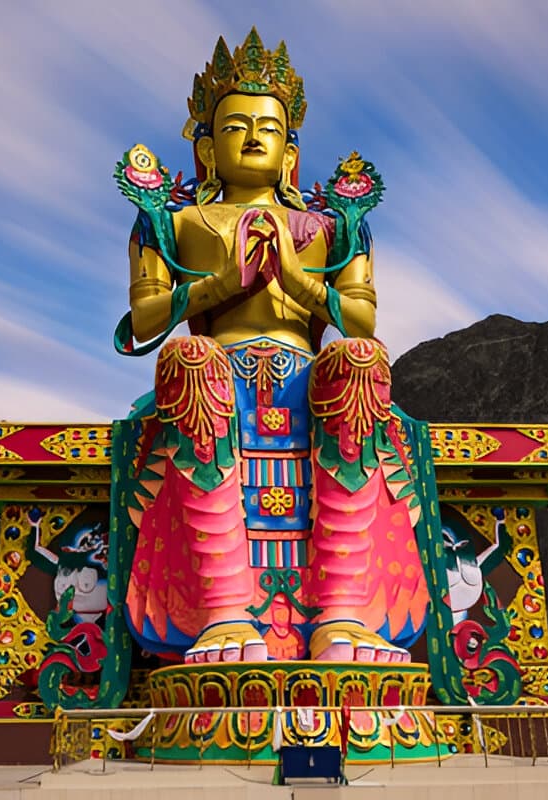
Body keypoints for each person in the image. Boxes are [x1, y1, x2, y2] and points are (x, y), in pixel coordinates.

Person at [114, 29, 439, 666]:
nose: (255, 135)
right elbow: (145, 318)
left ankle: (342, 612)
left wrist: (293, 278)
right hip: (211, 377)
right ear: (207, 149)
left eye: (269, 126)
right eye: (237, 125)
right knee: (186, 357)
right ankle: (223, 612)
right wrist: (218, 285)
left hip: (310, 379)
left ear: (291, 155)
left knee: (361, 361)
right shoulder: (174, 223)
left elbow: (362, 322)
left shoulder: (329, 229)